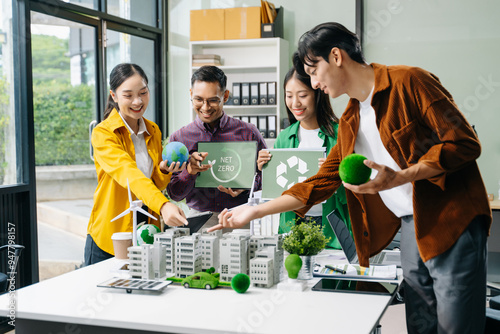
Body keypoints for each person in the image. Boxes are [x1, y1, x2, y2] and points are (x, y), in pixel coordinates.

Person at [211, 23, 491, 334]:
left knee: (455, 326)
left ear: (336, 56)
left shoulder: (409, 81)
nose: (315, 83)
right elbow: (320, 182)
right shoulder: (351, 120)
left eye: (314, 71)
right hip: (410, 226)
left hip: (451, 217)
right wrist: (255, 210)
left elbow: (464, 143)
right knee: (420, 325)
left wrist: (401, 177)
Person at [85, 63, 187, 266]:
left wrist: (164, 170)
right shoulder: (103, 133)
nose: (137, 101)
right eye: (128, 95)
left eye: (143, 92)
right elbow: (128, 173)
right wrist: (164, 204)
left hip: (145, 232)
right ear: (113, 96)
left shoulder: (153, 130)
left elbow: (154, 183)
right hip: (111, 237)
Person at [257, 61, 351, 249]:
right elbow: (277, 191)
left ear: (318, 94)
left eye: (302, 95)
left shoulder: (341, 134)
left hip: (331, 228)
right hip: (292, 224)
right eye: (289, 96)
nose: (295, 103)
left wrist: (338, 175)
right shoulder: (285, 136)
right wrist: (263, 170)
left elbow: (355, 194)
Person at [166, 66, 267, 230]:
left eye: (213, 100)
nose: (205, 107)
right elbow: (175, 194)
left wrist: (247, 186)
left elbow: (266, 178)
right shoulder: (180, 138)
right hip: (199, 221)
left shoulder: (248, 132)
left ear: (225, 96)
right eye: (198, 99)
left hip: (241, 217)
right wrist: (189, 172)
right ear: (191, 94)